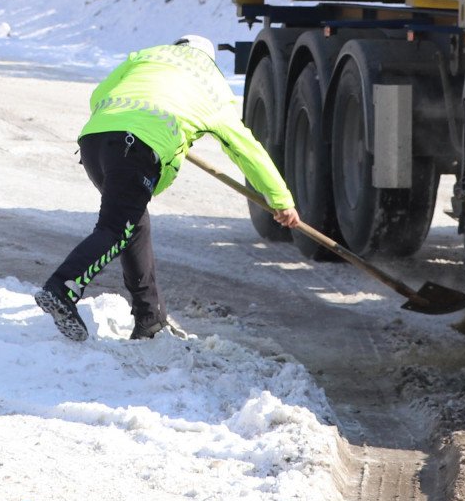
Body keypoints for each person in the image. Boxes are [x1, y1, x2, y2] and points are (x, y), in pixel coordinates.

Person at [35, 35, 301, 341]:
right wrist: (280, 199)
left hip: (95, 139)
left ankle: (150, 319)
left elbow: (100, 94)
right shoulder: (209, 82)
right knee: (115, 229)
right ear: (208, 60)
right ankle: (62, 287)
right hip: (136, 147)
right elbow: (245, 148)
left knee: (133, 225)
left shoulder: (147, 56)